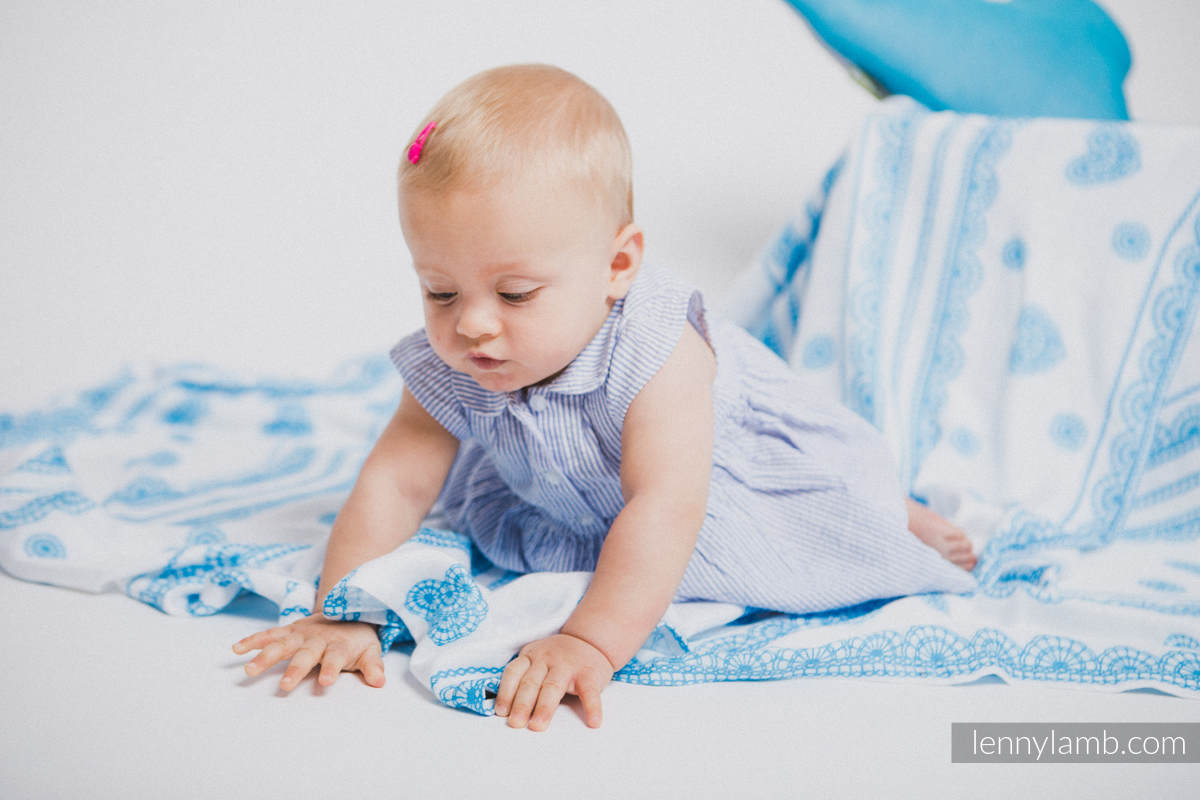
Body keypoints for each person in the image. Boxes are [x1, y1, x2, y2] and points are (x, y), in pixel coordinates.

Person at [233, 63, 977, 732]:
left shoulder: (658, 351)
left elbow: (665, 504)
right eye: (440, 290)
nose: (471, 324)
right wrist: (344, 613)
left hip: (714, 480)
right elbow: (398, 474)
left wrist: (590, 638)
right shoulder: (459, 355)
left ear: (617, 264)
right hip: (577, 491)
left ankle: (892, 511)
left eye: (515, 293)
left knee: (831, 524)